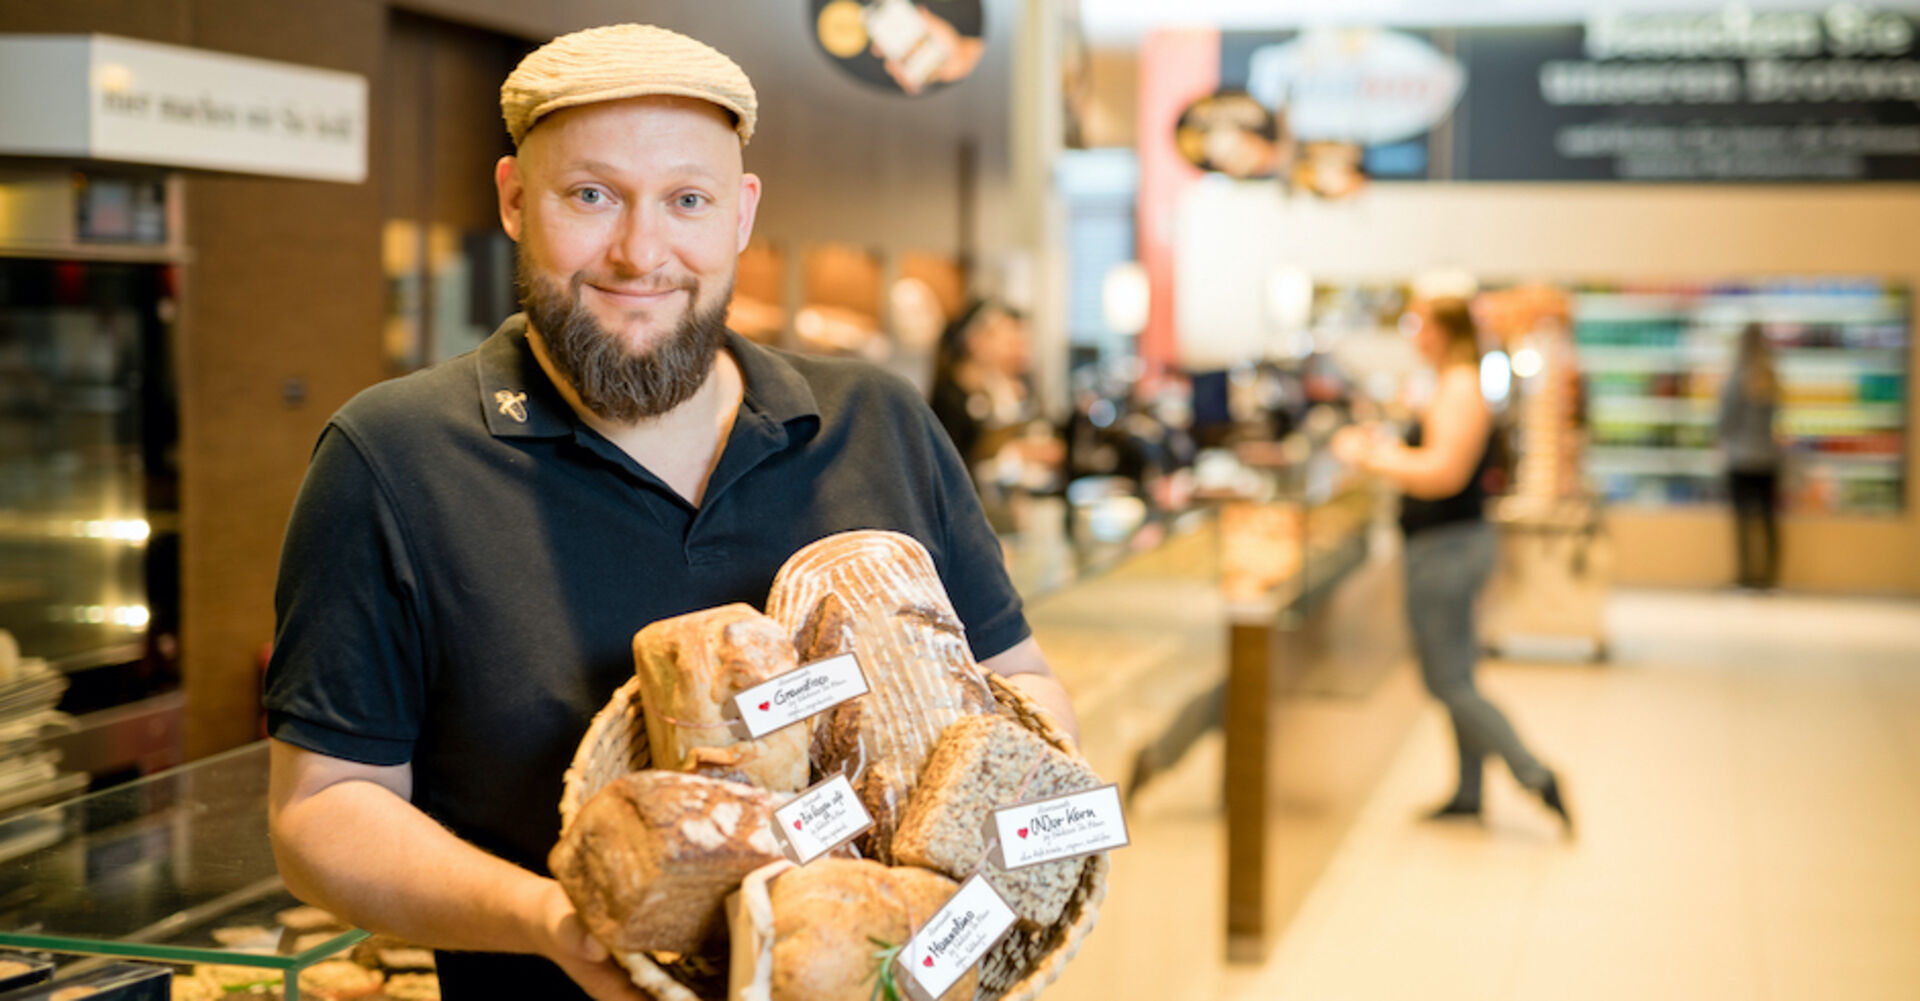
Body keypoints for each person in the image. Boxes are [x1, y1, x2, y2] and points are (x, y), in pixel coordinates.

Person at [262, 25, 1077, 1001]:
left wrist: (1021, 862)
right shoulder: (394, 457)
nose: (641, 252)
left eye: (687, 200)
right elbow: (323, 810)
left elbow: (1014, 681)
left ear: (741, 214)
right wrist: (552, 922)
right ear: (515, 200)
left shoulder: (877, 421)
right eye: (591, 195)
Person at [1330, 297, 1570, 834]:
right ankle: (1469, 791)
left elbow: (1444, 474)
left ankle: (1535, 774)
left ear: (1441, 331)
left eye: (1419, 324)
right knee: (1458, 675)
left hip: (1447, 549)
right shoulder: (1449, 383)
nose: (1413, 334)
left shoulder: (1460, 387)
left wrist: (1370, 456)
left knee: (1448, 683)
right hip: (1445, 546)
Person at [928, 299, 1063, 497]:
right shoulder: (951, 398)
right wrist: (1016, 452)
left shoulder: (1017, 388)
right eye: (1010, 342)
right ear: (975, 341)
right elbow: (954, 464)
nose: (1020, 352)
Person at [1718, 323, 1783, 590]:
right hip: (1768, 459)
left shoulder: (1736, 381)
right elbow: (1778, 419)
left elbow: (1726, 423)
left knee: (1743, 522)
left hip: (1741, 458)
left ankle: (1746, 576)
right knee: (1768, 521)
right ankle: (1769, 578)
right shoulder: (1772, 378)